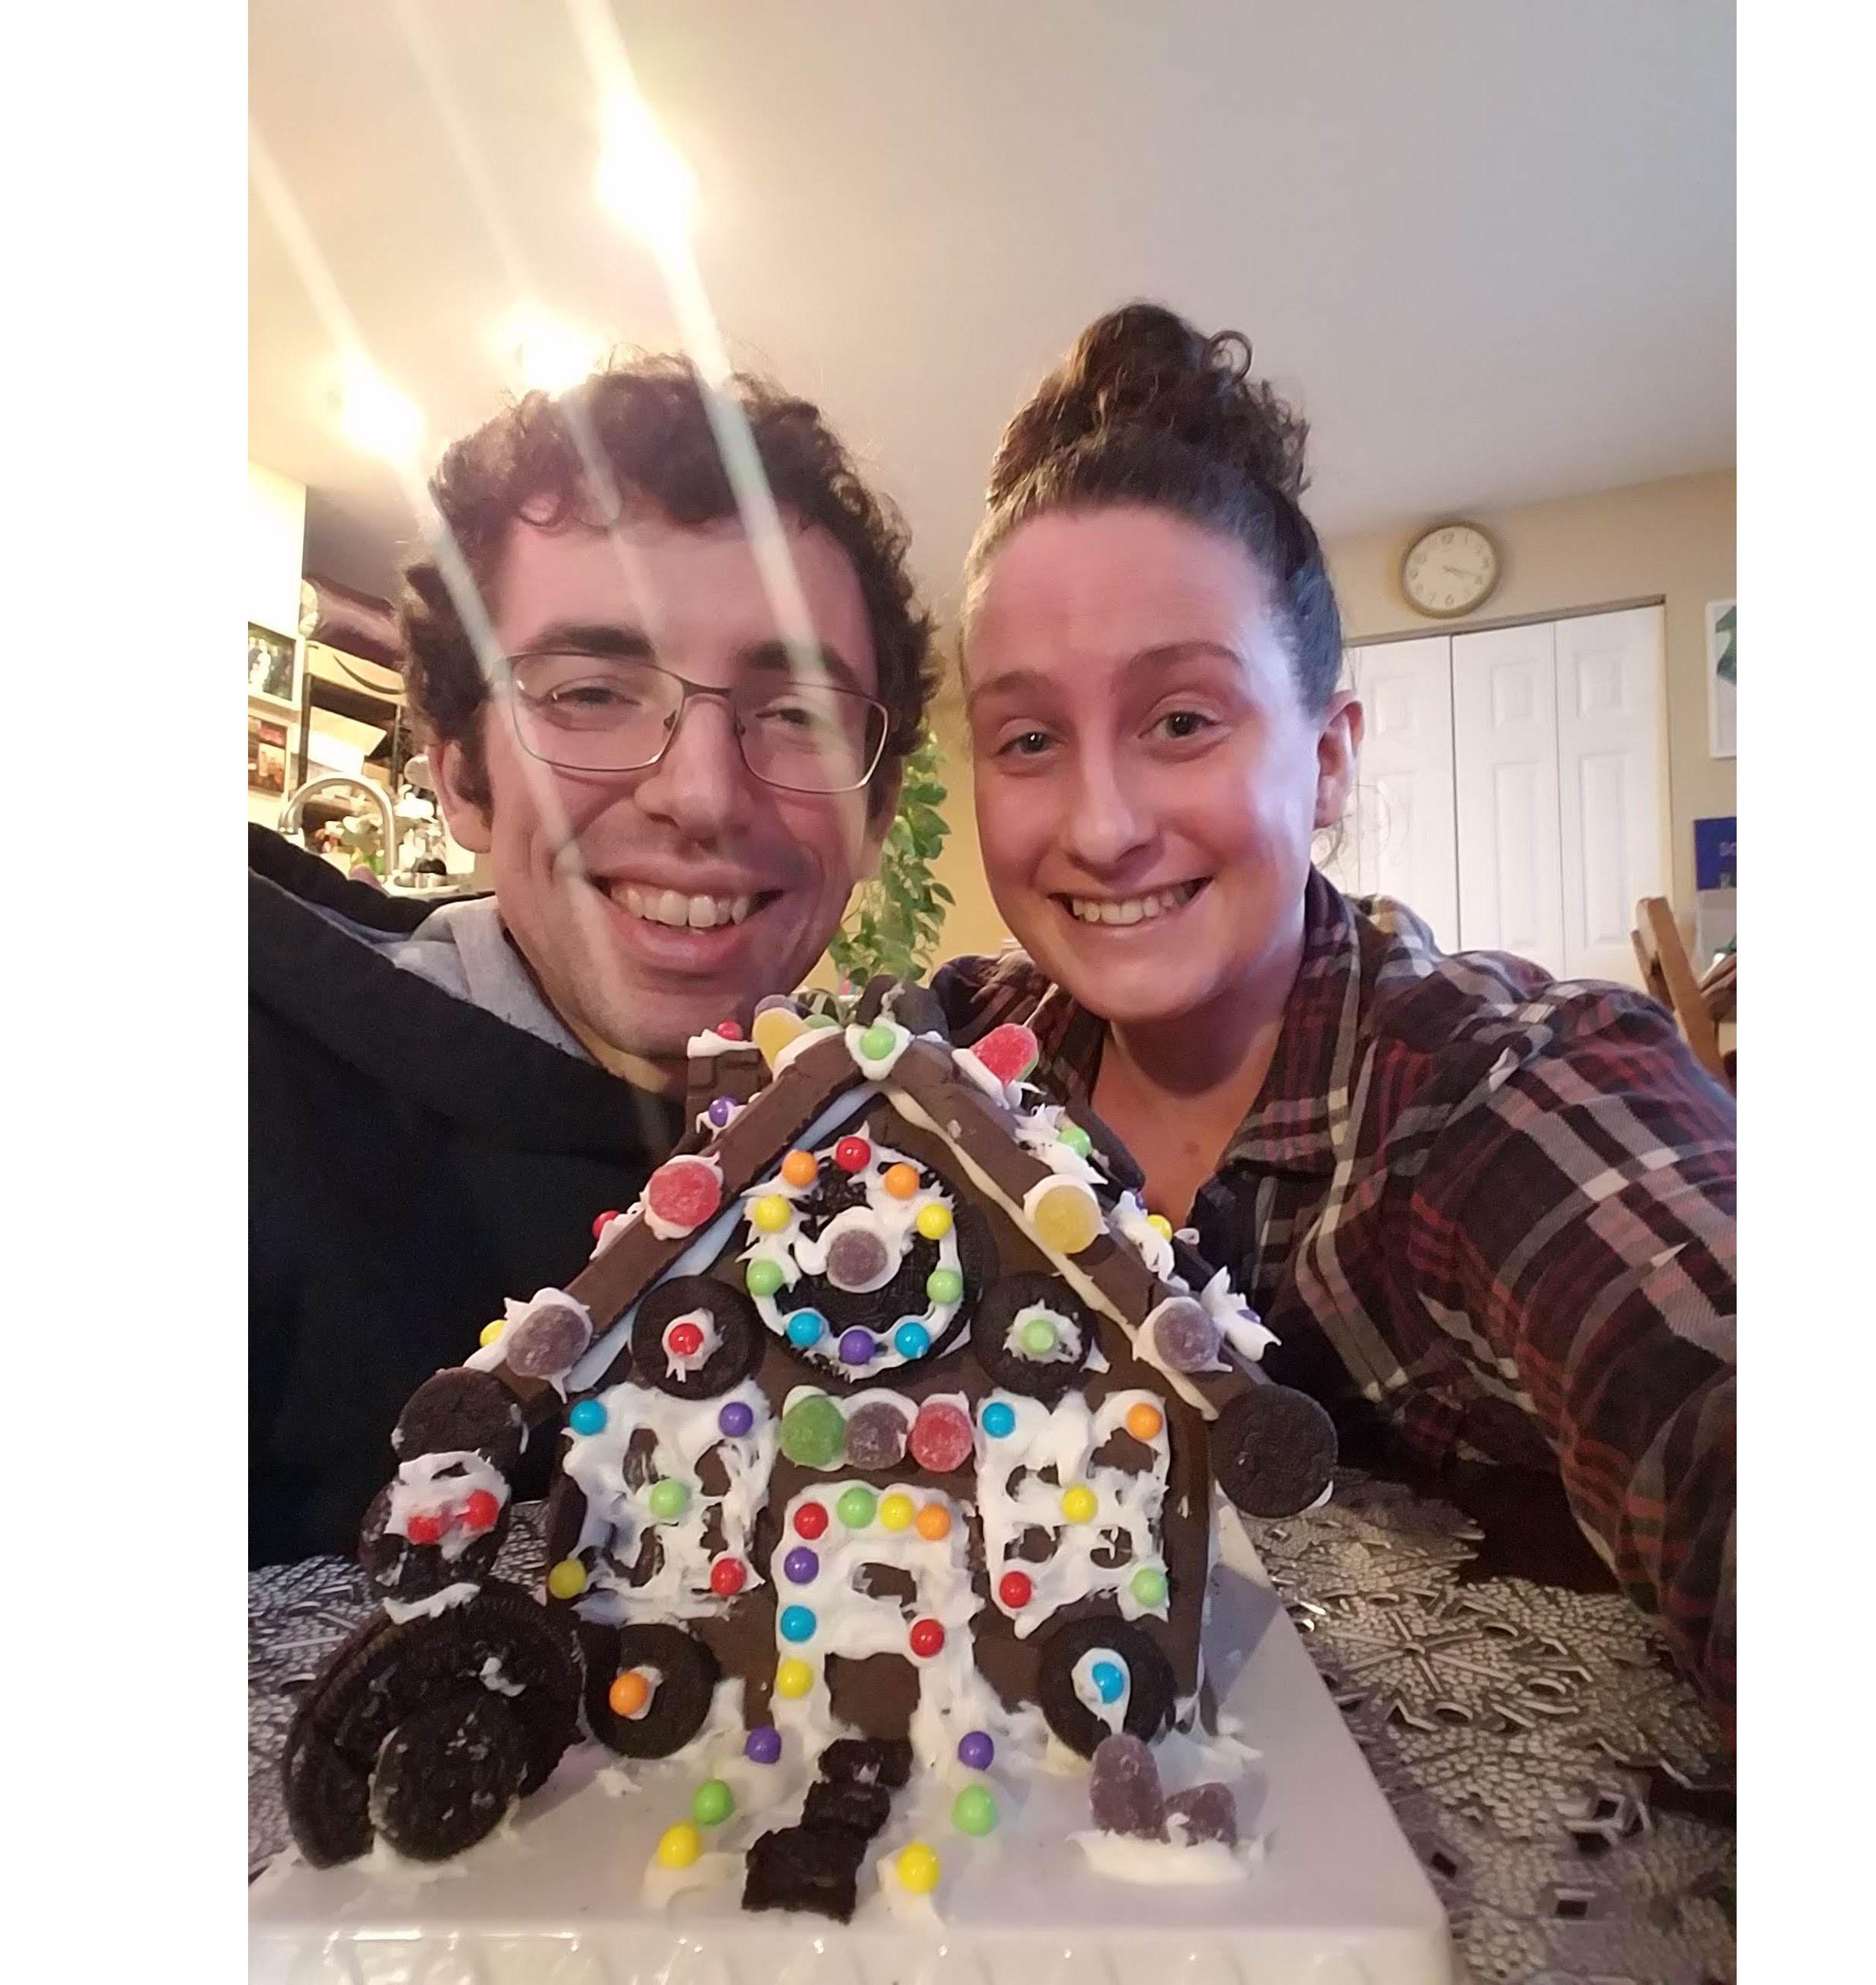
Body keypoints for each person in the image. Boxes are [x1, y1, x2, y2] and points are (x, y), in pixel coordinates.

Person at [934, 304, 1736, 1746]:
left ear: (1327, 759)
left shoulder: (1492, 1096)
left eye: (1183, 720)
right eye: (1030, 738)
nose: (1102, 828)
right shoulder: (954, 1077)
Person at [252, 352, 934, 1566]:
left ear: (875, 818)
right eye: (590, 694)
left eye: (796, 714)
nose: (702, 794)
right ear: (460, 774)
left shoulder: (899, 1181)